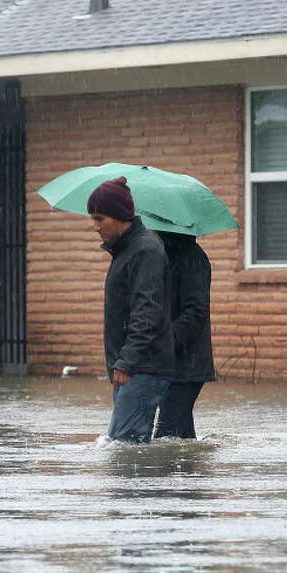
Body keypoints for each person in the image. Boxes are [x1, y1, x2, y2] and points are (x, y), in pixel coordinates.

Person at [87, 176, 175, 443]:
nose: (94, 227)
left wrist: (127, 361)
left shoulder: (144, 251)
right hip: (132, 366)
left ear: (119, 215)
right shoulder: (126, 251)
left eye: (99, 218)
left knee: (126, 446)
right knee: (124, 445)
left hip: (142, 367)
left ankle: (139, 487)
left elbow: (147, 312)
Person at [153, 231, 215, 439]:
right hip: (171, 363)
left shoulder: (191, 258)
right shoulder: (169, 256)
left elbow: (196, 311)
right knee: (181, 437)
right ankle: (191, 471)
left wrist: (165, 342)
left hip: (186, 365)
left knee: (166, 437)